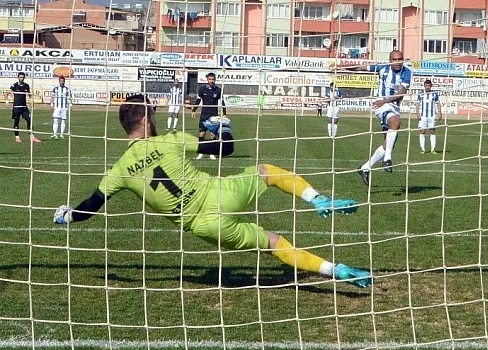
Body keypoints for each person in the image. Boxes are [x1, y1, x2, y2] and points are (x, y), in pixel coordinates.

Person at [53, 94, 371, 288]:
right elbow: (226, 149)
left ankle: (336, 270)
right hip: (220, 194)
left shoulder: (119, 171)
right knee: (267, 172)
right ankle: (317, 199)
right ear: (147, 119)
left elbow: (90, 207)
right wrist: (224, 126)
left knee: (273, 242)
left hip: (204, 226)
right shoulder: (170, 139)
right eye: (153, 114)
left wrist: (67, 216)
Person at [356, 49, 412, 185]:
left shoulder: (407, 72)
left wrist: (385, 101)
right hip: (380, 105)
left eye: (400, 59)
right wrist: (339, 67)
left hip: (392, 105)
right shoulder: (382, 69)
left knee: (388, 143)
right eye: (395, 59)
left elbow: (401, 92)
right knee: (395, 122)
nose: (398, 62)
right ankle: (387, 160)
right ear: (390, 60)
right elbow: (362, 67)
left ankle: (365, 168)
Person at [191, 72, 226, 160]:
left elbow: (222, 102)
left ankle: (212, 153)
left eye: (213, 79)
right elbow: (198, 100)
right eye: (210, 79)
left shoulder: (218, 90)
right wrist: (194, 110)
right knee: (202, 134)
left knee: (213, 135)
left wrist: (224, 113)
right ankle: (201, 152)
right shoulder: (202, 89)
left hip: (214, 115)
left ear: (215, 80)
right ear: (207, 80)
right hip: (204, 115)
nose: (211, 81)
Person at [7, 72, 40, 143]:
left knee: (29, 119)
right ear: (18, 77)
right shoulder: (14, 85)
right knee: (17, 121)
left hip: (24, 107)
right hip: (16, 107)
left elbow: (29, 94)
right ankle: (17, 137)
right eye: (20, 77)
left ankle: (32, 137)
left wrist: (31, 101)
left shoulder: (26, 86)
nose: (21, 78)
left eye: (23, 77)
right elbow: (8, 93)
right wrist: (7, 101)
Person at [416, 79, 442, 154]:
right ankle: (423, 149)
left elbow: (438, 103)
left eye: (429, 86)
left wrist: (440, 112)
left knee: (432, 131)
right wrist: (417, 113)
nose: (427, 87)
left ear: (431, 86)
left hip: (432, 116)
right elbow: (417, 104)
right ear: (424, 86)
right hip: (423, 116)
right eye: (426, 85)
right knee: (422, 131)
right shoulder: (421, 94)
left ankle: (433, 149)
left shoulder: (434, 94)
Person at [50, 75, 72, 140]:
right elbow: (52, 97)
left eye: (63, 81)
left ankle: (62, 134)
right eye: (61, 81)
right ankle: (55, 134)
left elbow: (70, 98)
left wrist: (70, 105)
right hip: (57, 107)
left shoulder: (67, 89)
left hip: (64, 107)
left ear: (64, 81)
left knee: (63, 121)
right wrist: (51, 104)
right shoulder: (55, 89)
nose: (62, 82)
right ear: (59, 81)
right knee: (55, 120)